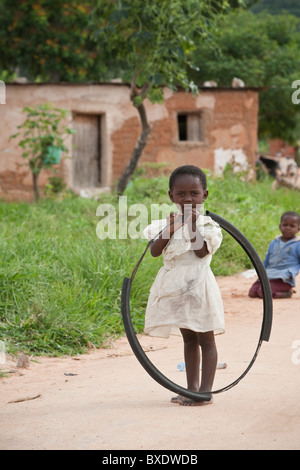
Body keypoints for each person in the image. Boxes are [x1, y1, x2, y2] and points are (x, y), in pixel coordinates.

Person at [143, 165, 224, 406]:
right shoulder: (166, 224)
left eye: (194, 193)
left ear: (204, 195)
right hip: (177, 290)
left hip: (199, 288)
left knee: (206, 340)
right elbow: (155, 252)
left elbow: (201, 252)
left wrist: (189, 225)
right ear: (171, 196)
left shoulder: (208, 225)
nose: (188, 198)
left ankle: (205, 392)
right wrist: (172, 227)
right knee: (188, 339)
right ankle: (191, 389)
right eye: (181, 194)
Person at [249, 211, 300, 299]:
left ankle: (286, 293)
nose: (288, 228)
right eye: (285, 225)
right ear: (280, 226)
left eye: (292, 226)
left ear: (298, 229)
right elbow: (267, 260)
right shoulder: (274, 242)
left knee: (263, 292)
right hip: (270, 275)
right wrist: (262, 274)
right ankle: (276, 289)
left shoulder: (297, 244)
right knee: (252, 292)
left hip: (283, 279)